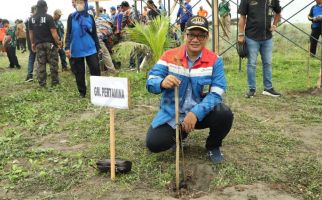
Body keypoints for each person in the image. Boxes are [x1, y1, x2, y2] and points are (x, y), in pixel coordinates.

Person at [146, 16, 234, 164]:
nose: (195, 39)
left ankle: (213, 146)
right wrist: (161, 82)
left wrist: (195, 113)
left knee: (224, 114)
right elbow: (150, 81)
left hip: (201, 114)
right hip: (173, 114)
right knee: (154, 144)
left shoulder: (214, 60)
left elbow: (217, 92)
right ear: (185, 35)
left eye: (201, 35)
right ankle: (181, 134)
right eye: (192, 34)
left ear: (207, 37)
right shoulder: (169, 56)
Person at [238, 0, 282, 98]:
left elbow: (278, 13)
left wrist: (274, 25)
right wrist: (241, 34)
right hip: (251, 37)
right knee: (252, 64)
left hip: (267, 37)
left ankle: (268, 89)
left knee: (267, 63)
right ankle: (252, 90)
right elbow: (242, 17)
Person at [65, 0, 101, 98]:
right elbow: (68, 33)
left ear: (85, 3)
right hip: (76, 49)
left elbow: (94, 34)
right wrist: (67, 47)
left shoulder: (90, 17)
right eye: (77, 2)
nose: (79, 4)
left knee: (95, 69)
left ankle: (97, 90)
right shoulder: (71, 17)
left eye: (81, 2)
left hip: (91, 48)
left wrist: (98, 47)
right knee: (79, 72)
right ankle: (82, 92)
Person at [29, 0, 62, 87]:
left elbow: (31, 33)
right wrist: (58, 42)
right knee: (53, 63)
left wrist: (32, 43)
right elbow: (53, 32)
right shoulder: (49, 17)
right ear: (45, 7)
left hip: (38, 44)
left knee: (40, 63)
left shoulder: (31, 19)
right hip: (50, 44)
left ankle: (42, 83)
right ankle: (55, 82)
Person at [25, 5, 37, 82]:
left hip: (32, 41)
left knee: (32, 58)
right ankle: (30, 75)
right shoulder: (30, 20)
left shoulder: (28, 20)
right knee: (35, 57)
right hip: (34, 41)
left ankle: (30, 75)